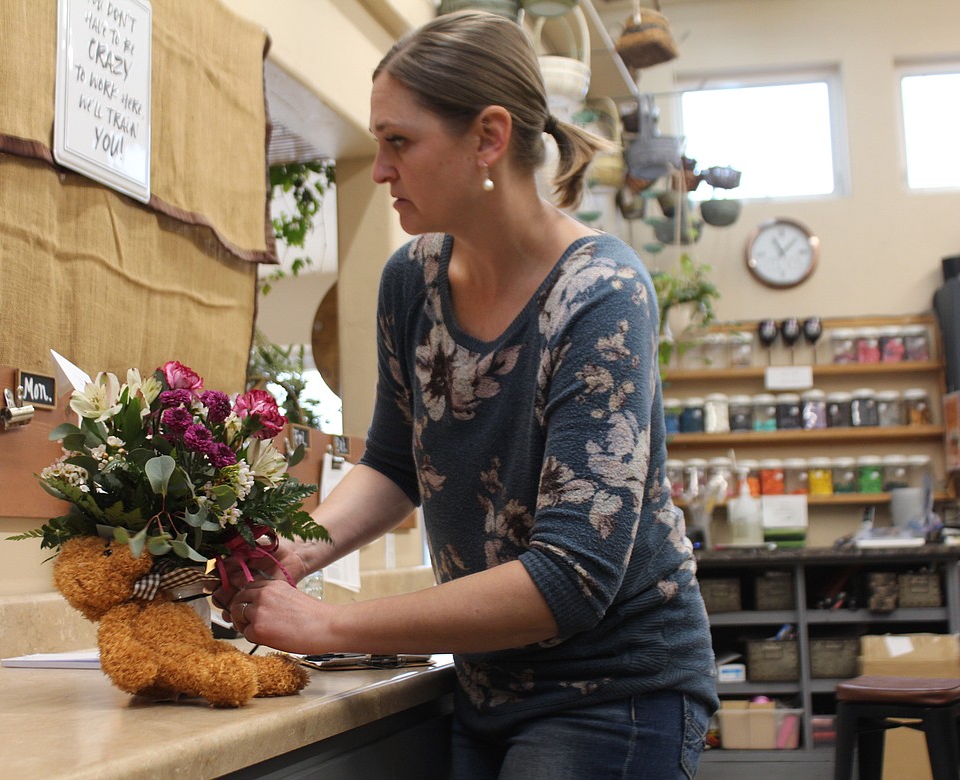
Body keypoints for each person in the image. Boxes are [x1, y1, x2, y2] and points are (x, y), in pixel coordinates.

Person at [215, 10, 717, 778]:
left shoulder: (600, 293)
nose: (380, 169)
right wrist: (292, 554)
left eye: (399, 142)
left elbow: (570, 575)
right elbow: (393, 463)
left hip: (617, 693)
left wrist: (325, 624)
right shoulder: (410, 282)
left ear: (488, 137)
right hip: (487, 685)